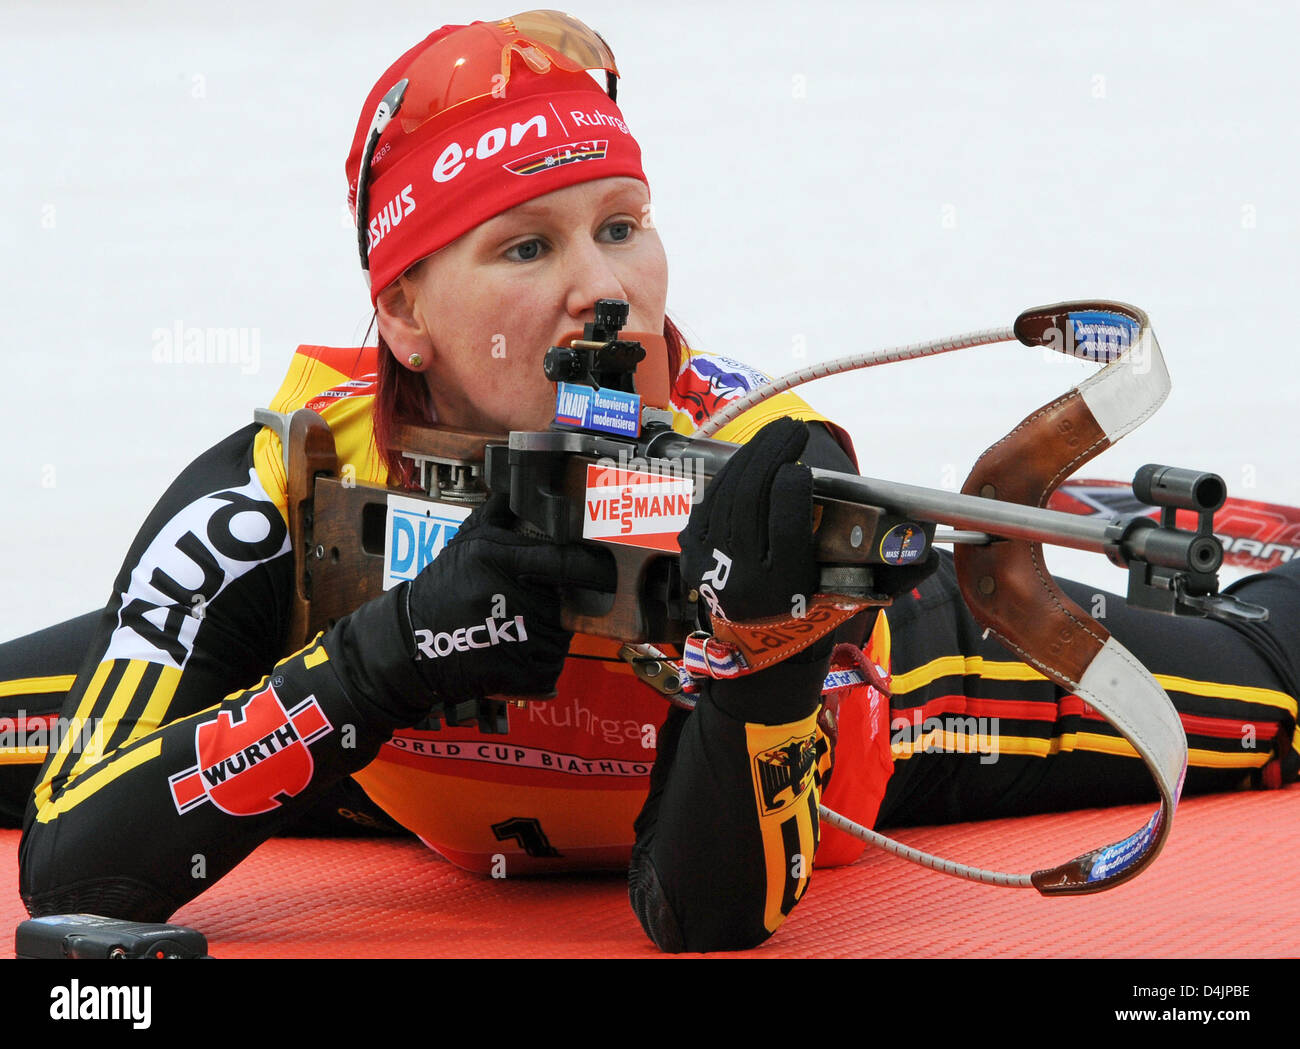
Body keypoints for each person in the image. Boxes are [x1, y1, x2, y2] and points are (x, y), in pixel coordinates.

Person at [6, 11, 1298, 954]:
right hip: (392, 761)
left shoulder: (772, 462)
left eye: (623, 225)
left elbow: (708, 915)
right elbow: (73, 863)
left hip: (898, 712)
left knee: (1274, 687)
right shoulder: (284, 487)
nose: (606, 288)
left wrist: (760, 649)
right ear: (402, 310)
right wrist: (393, 653)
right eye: (528, 245)